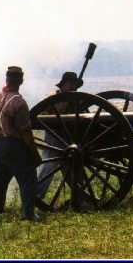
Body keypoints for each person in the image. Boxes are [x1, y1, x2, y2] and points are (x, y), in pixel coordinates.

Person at [0, 66, 42, 220]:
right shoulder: (19, 102)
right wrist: (35, 155)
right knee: (28, 179)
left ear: (7, 79)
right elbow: (26, 133)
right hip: (15, 145)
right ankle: (29, 215)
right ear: (21, 81)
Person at [37, 72, 82, 201]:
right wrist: (66, 102)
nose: (74, 87)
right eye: (71, 84)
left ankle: (80, 195)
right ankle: (37, 195)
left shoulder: (77, 98)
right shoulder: (52, 97)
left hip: (70, 139)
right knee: (48, 166)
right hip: (54, 136)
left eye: (75, 84)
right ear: (64, 84)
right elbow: (44, 113)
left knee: (71, 167)